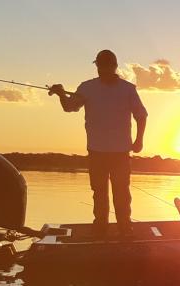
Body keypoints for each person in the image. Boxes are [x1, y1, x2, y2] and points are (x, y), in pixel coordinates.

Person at [49, 50, 148, 237]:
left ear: (114, 67)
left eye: (105, 66)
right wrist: (61, 94)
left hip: (120, 153)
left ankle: (125, 229)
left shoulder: (128, 89)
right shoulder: (87, 88)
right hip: (96, 152)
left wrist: (139, 140)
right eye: (99, 66)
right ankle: (100, 229)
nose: (102, 70)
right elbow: (69, 107)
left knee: (122, 194)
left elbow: (141, 116)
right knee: (99, 194)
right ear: (97, 67)